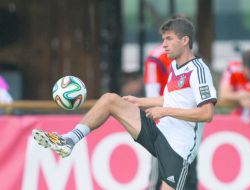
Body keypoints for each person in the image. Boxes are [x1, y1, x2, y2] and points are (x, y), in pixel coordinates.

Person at [32, 17, 217, 190]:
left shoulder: (199, 70)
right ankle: (69, 140)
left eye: (169, 39)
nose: (164, 44)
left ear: (185, 41)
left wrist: (165, 111)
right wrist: (141, 101)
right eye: (163, 39)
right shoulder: (176, 66)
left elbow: (206, 114)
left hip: (177, 150)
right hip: (159, 132)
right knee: (110, 100)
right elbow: (175, 99)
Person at [144, 45, 198, 190]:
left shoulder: (191, 59)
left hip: (186, 126)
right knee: (162, 179)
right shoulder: (156, 58)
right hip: (166, 127)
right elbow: (152, 97)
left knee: (189, 177)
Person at [219, 50, 250, 123]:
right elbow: (223, 95)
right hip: (238, 116)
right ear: (243, 66)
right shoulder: (233, 68)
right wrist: (240, 98)